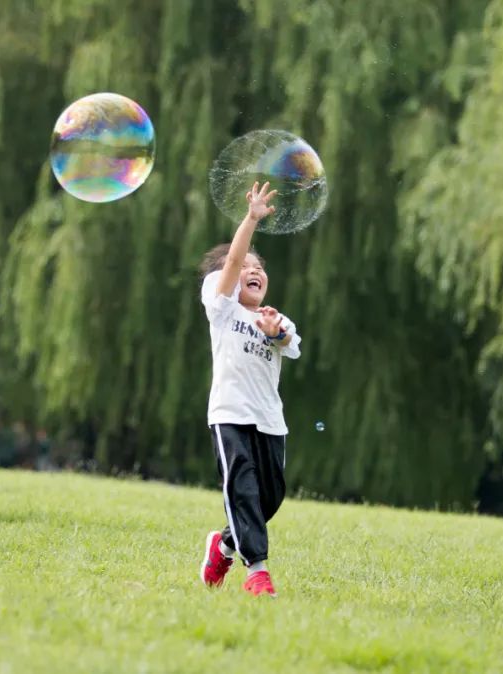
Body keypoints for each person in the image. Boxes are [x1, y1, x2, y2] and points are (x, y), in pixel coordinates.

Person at [197, 181, 301, 598]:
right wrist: (252, 218)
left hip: (269, 421)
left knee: (269, 499)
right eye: (245, 267)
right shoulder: (221, 308)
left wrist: (275, 333)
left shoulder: (279, 318)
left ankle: (222, 545)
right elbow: (235, 258)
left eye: (260, 268)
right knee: (241, 485)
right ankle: (257, 573)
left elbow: (289, 347)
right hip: (229, 414)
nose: (253, 270)